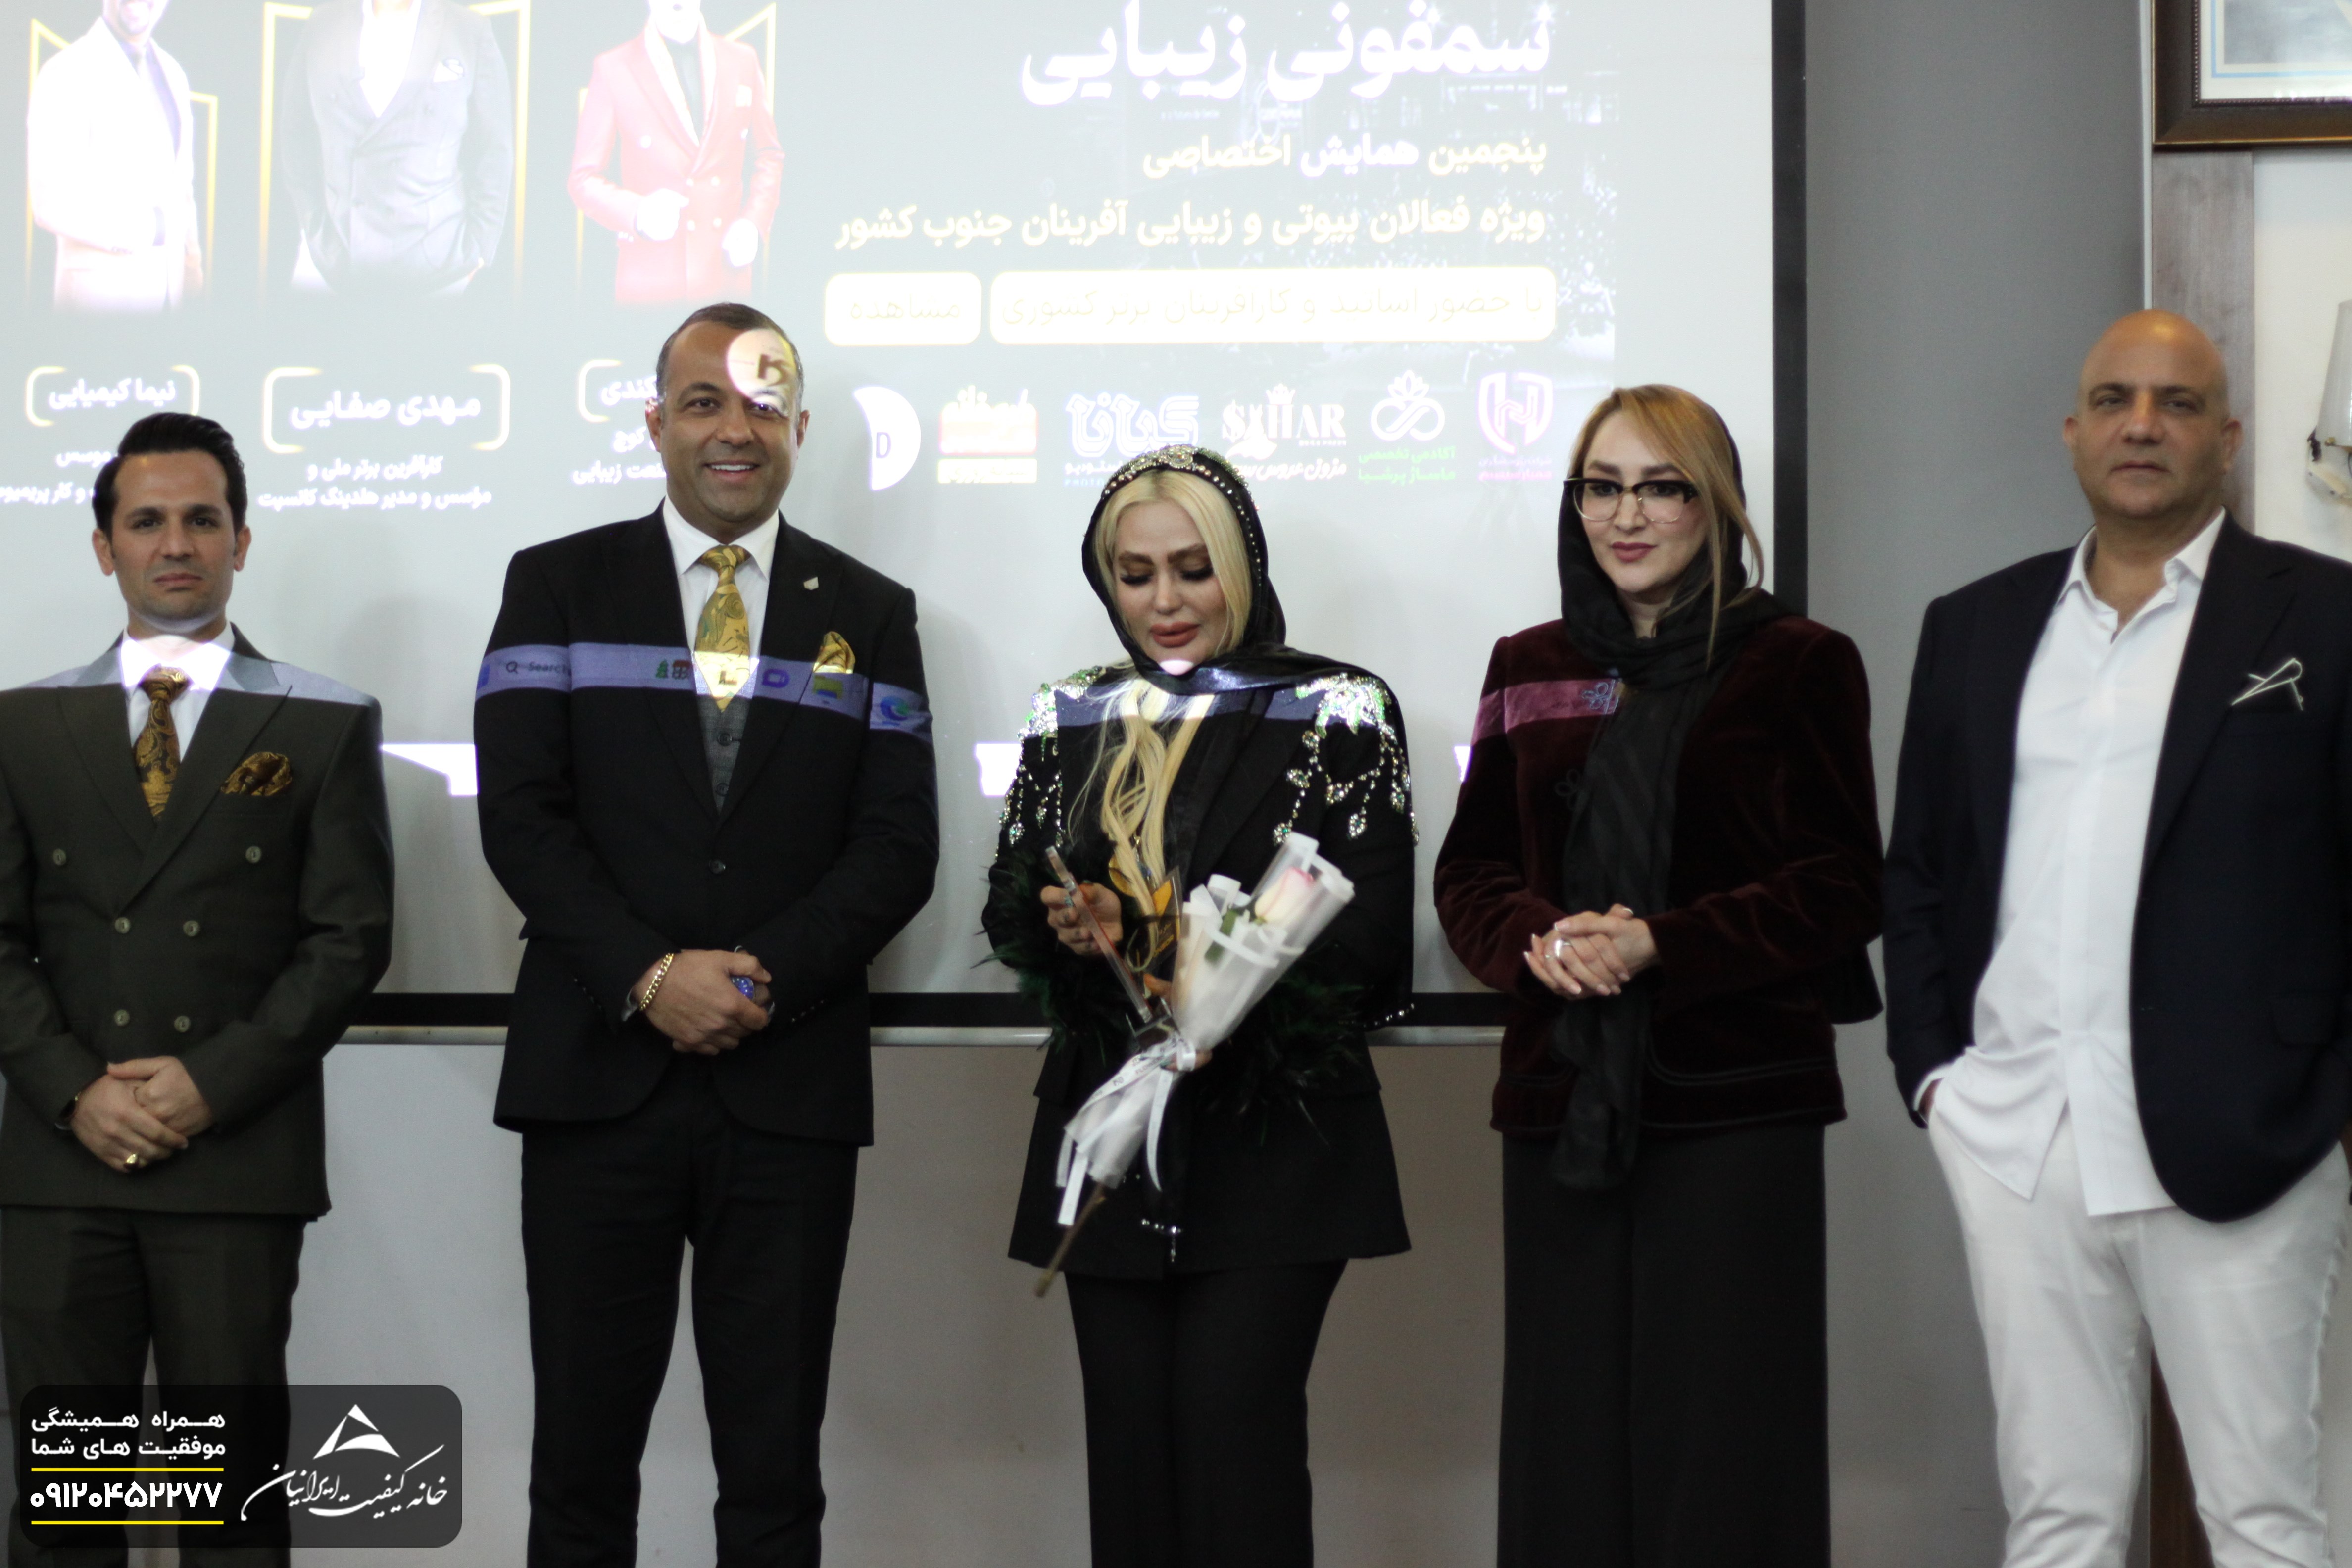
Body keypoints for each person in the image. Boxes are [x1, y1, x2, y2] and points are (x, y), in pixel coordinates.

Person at [1885, 309, 2352, 1568]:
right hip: (2017, 1135)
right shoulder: (1973, 624)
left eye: (2176, 402)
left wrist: (2329, 1102)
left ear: (2228, 438)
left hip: (2247, 1139)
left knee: (2261, 1518)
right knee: (2057, 1516)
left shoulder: (2322, 617)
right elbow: (1919, 869)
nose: (2141, 425)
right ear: (2072, 430)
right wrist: (1935, 1077)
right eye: (2113, 400)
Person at [475, 301, 937, 1567]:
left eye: (762, 404)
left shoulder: (873, 612)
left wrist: (755, 981)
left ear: (800, 426)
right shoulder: (555, 584)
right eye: (702, 402)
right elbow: (521, 819)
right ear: (654, 423)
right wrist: (646, 975)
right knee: (580, 1470)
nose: (734, 429)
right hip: (596, 1085)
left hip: (785, 1089)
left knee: (774, 1476)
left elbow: (898, 845)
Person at [1432, 386, 1882, 1568]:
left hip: (1735, 1105)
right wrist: (1540, 939)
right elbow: (1470, 869)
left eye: (1660, 487)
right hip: (1561, 1095)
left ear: (1714, 503)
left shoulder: (1798, 661)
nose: (1626, 516)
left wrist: (1660, 943)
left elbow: (1840, 884)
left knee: (1725, 1441)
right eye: (1602, 487)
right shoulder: (1527, 663)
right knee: (1566, 1439)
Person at [985, 444, 1414, 1568]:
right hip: (1111, 1132)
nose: (1165, 601)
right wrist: (1068, 921)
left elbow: (1370, 941)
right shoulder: (1070, 711)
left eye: (1192, 568)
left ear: (1242, 565)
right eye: (1134, 575)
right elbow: (1008, 908)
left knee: (1236, 1448)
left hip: (1275, 1136)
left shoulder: (1340, 706)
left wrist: (1197, 972)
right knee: (1130, 1464)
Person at [0, 412, 394, 1564]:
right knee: (69, 1515)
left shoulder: (325, 717)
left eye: (202, 520)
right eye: (147, 521)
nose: (176, 543)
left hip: (233, 1159)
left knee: (229, 1511)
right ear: (104, 547)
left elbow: (348, 940)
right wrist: (75, 1089)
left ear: (241, 540)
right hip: (60, 1165)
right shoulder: (22, 723)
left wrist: (210, 1083)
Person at [274, 0, 515, 297]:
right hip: (330, 270)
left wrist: (481, 245)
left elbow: (495, 147)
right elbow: (295, 134)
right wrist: (315, 229)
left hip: (439, 273)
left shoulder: (468, 30)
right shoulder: (322, 25)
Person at [568, 0, 784, 305]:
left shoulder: (742, 61)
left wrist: (753, 224)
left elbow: (769, 155)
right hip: (652, 282)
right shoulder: (613, 68)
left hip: (725, 278)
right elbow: (583, 179)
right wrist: (639, 214)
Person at [25, 0, 202, 312]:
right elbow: (51, 202)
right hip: (98, 302)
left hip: (169, 301)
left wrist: (192, 262)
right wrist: (151, 229)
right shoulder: (64, 71)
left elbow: (182, 184)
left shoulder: (174, 73)